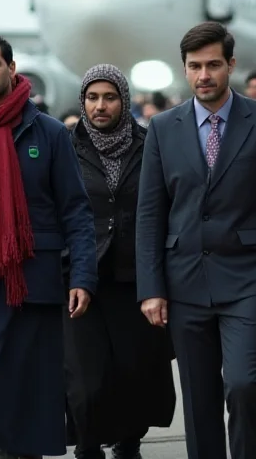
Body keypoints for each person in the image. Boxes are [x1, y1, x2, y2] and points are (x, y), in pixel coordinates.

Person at [136, 22, 256, 459]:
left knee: (246, 383)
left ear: (231, 65)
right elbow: (149, 213)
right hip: (184, 280)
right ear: (184, 70)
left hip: (250, 277)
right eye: (195, 66)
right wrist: (151, 288)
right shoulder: (162, 127)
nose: (204, 75)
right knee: (199, 400)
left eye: (213, 65)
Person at [0, 33, 98, 459]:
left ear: (12, 68)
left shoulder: (48, 133)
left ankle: (10, 454)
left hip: (36, 280)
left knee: (33, 388)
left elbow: (76, 212)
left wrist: (82, 275)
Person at [65, 64, 176, 459]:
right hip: (82, 278)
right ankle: (87, 446)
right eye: (92, 97)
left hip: (136, 277)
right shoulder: (66, 145)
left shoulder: (150, 144)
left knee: (136, 371)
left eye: (109, 97)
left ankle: (129, 443)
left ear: (124, 101)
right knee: (86, 379)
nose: (100, 105)